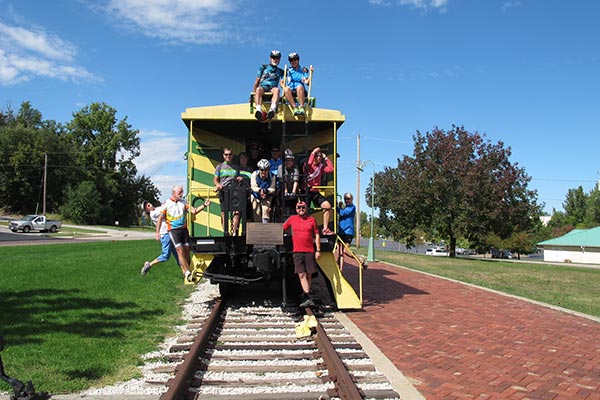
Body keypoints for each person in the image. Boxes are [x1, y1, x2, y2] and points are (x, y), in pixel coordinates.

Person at [156, 185, 209, 281]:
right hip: (173, 230)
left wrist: (204, 205)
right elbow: (160, 218)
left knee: (187, 249)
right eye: (179, 192)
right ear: (173, 193)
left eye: (182, 192)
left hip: (184, 229)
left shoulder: (183, 203)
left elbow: (194, 211)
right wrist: (157, 232)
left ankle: (188, 270)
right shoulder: (167, 204)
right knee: (180, 250)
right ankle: (186, 272)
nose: (182, 194)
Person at [282, 201, 321, 308]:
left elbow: (316, 235)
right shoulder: (292, 219)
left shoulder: (312, 220)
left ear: (306, 208)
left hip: (310, 251)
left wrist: (318, 250)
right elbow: (283, 227)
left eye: (303, 207)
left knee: (309, 274)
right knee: (301, 274)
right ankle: (308, 296)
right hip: (297, 251)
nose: (301, 209)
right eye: (299, 207)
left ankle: (306, 294)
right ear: (296, 209)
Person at [141, 200, 180, 276]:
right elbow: (165, 213)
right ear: (146, 210)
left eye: (147, 203)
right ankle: (149, 264)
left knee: (178, 254)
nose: (148, 204)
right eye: (146, 206)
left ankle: (186, 273)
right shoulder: (153, 214)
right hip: (165, 234)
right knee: (166, 255)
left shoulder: (158, 208)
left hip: (170, 232)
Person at [305, 146, 334, 234]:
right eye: (317, 156)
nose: (319, 158)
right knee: (304, 210)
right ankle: (304, 230)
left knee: (327, 206)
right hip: (307, 192)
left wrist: (326, 158)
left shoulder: (321, 167)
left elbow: (331, 169)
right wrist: (313, 152)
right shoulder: (309, 165)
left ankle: (325, 229)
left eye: (320, 156)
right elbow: (309, 163)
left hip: (316, 192)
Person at [214, 147, 240, 234]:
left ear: (232, 155)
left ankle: (234, 232)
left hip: (234, 191)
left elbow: (238, 177)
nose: (228, 156)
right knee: (224, 213)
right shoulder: (219, 167)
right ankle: (226, 232)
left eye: (230, 154)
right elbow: (215, 180)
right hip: (223, 191)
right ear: (223, 156)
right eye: (226, 154)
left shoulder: (236, 167)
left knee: (237, 212)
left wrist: (239, 178)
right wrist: (218, 185)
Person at [253, 50, 284, 121]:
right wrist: (253, 94)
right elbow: (257, 81)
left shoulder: (281, 71)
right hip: (263, 87)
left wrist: (305, 70)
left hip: (273, 88)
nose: (275, 60)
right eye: (273, 57)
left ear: (279, 59)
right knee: (258, 89)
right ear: (270, 58)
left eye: (277, 58)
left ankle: (272, 110)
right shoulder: (263, 67)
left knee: (277, 90)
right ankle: (258, 110)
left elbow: (290, 74)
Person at [250, 159, 276, 223]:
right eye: (261, 170)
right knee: (257, 212)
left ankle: (265, 227)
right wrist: (259, 190)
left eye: (266, 170)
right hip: (256, 195)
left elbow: (273, 188)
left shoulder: (272, 176)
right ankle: (257, 227)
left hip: (267, 195)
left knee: (266, 209)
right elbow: (253, 186)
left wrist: (266, 191)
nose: (263, 172)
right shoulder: (254, 174)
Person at [336, 193, 356, 269]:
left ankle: (360, 259)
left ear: (351, 199)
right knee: (340, 252)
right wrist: (339, 206)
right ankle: (340, 269)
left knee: (345, 251)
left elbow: (342, 213)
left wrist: (336, 207)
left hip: (348, 232)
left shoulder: (352, 207)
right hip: (341, 232)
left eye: (348, 199)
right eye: (345, 199)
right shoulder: (345, 208)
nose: (346, 200)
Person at [278, 148, 300, 216]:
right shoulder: (280, 167)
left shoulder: (295, 168)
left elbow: (296, 180)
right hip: (282, 192)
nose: (288, 162)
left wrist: (293, 192)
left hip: (293, 192)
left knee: (293, 211)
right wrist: (286, 191)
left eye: (290, 160)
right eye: (287, 160)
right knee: (284, 211)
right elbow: (283, 180)